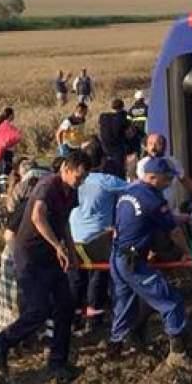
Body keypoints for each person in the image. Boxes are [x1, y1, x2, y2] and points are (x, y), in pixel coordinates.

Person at [0, 150, 91, 383]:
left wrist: (72, 252)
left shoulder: (70, 192)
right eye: (79, 176)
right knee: (39, 309)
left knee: (66, 305)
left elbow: (64, 223)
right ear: (66, 169)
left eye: (84, 178)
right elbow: (37, 217)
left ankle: (58, 363)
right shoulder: (47, 186)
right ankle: (3, 340)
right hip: (30, 256)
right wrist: (57, 246)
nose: (81, 182)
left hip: (51, 257)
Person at [106, 156, 191, 364]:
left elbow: (138, 221)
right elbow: (174, 232)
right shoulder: (153, 199)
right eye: (166, 179)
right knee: (171, 301)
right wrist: (187, 252)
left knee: (124, 304)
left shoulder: (128, 193)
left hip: (117, 256)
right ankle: (178, 354)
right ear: (152, 177)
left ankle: (114, 349)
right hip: (133, 261)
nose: (169, 183)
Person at [68, 140, 129, 334]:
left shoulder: (73, 179)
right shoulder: (106, 180)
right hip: (97, 238)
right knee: (98, 275)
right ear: (102, 159)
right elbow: (134, 190)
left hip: (73, 236)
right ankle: (94, 317)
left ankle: (73, 316)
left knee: (76, 278)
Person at [0, 157, 46, 335]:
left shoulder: (34, 204)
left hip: (26, 257)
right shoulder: (27, 209)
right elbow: (9, 235)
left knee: (21, 301)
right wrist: (22, 257)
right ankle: (4, 335)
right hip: (16, 257)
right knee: (14, 301)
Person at [134, 133, 192, 209]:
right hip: (152, 207)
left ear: (164, 146)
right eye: (150, 144)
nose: (153, 147)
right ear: (146, 147)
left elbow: (185, 180)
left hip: (171, 207)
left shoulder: (172, 162)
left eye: (158, 144)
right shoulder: (142, 164)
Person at [0, 107, 22, 196]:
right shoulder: (8, 126)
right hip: (6, 151)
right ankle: (4, 190)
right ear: (10, 115)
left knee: (0, 170)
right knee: (6, 171)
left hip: (0, 151)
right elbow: (17, 136)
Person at [96, 99, 132, 179]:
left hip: (104, 147)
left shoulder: (103, 117)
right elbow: (129, 134)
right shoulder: (123, 118)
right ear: (122, 107)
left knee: (107, 167)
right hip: (118, 148)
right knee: (119, 169)